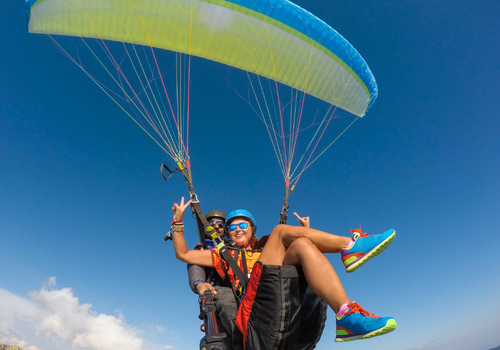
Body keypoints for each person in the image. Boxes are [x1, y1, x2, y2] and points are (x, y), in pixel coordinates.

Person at [171, 197, 397, 345]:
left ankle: (347, 314)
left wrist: (306, 232)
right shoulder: (222, 254)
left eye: (243, 225)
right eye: (232, 227)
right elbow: (183, 254)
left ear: (252, 229)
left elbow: (295, 250)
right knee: (280, 232)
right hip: (252, 308)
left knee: (301, 244)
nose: (237, 230)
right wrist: (178, 223)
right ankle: (349, 246)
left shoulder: (264, 250)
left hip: (276, 295)